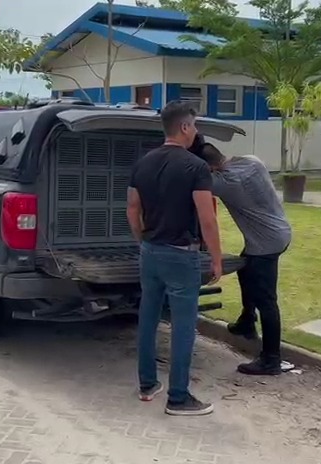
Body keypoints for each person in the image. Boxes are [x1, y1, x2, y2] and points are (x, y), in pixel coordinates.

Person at [126, 101, 223, 416]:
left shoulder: (142, 163)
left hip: (150, 252)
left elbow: (132, 209)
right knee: (183, 326)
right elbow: (207, 219)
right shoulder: (196, 167)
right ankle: (178, 398)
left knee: (148, 317)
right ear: (184, 127)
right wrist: (216, 258)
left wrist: (142, 239)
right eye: (194, 125)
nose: (195, 131)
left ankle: (147, 384)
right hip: (181, 255)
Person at [193, 137, 292, 376]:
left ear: (210, 168)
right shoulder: (251, 161)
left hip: (265, 243)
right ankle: (247, 321)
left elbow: (195, 184)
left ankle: (271, 359)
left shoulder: (226, 182)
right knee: (245, 268)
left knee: (266, 300)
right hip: (279, 231)